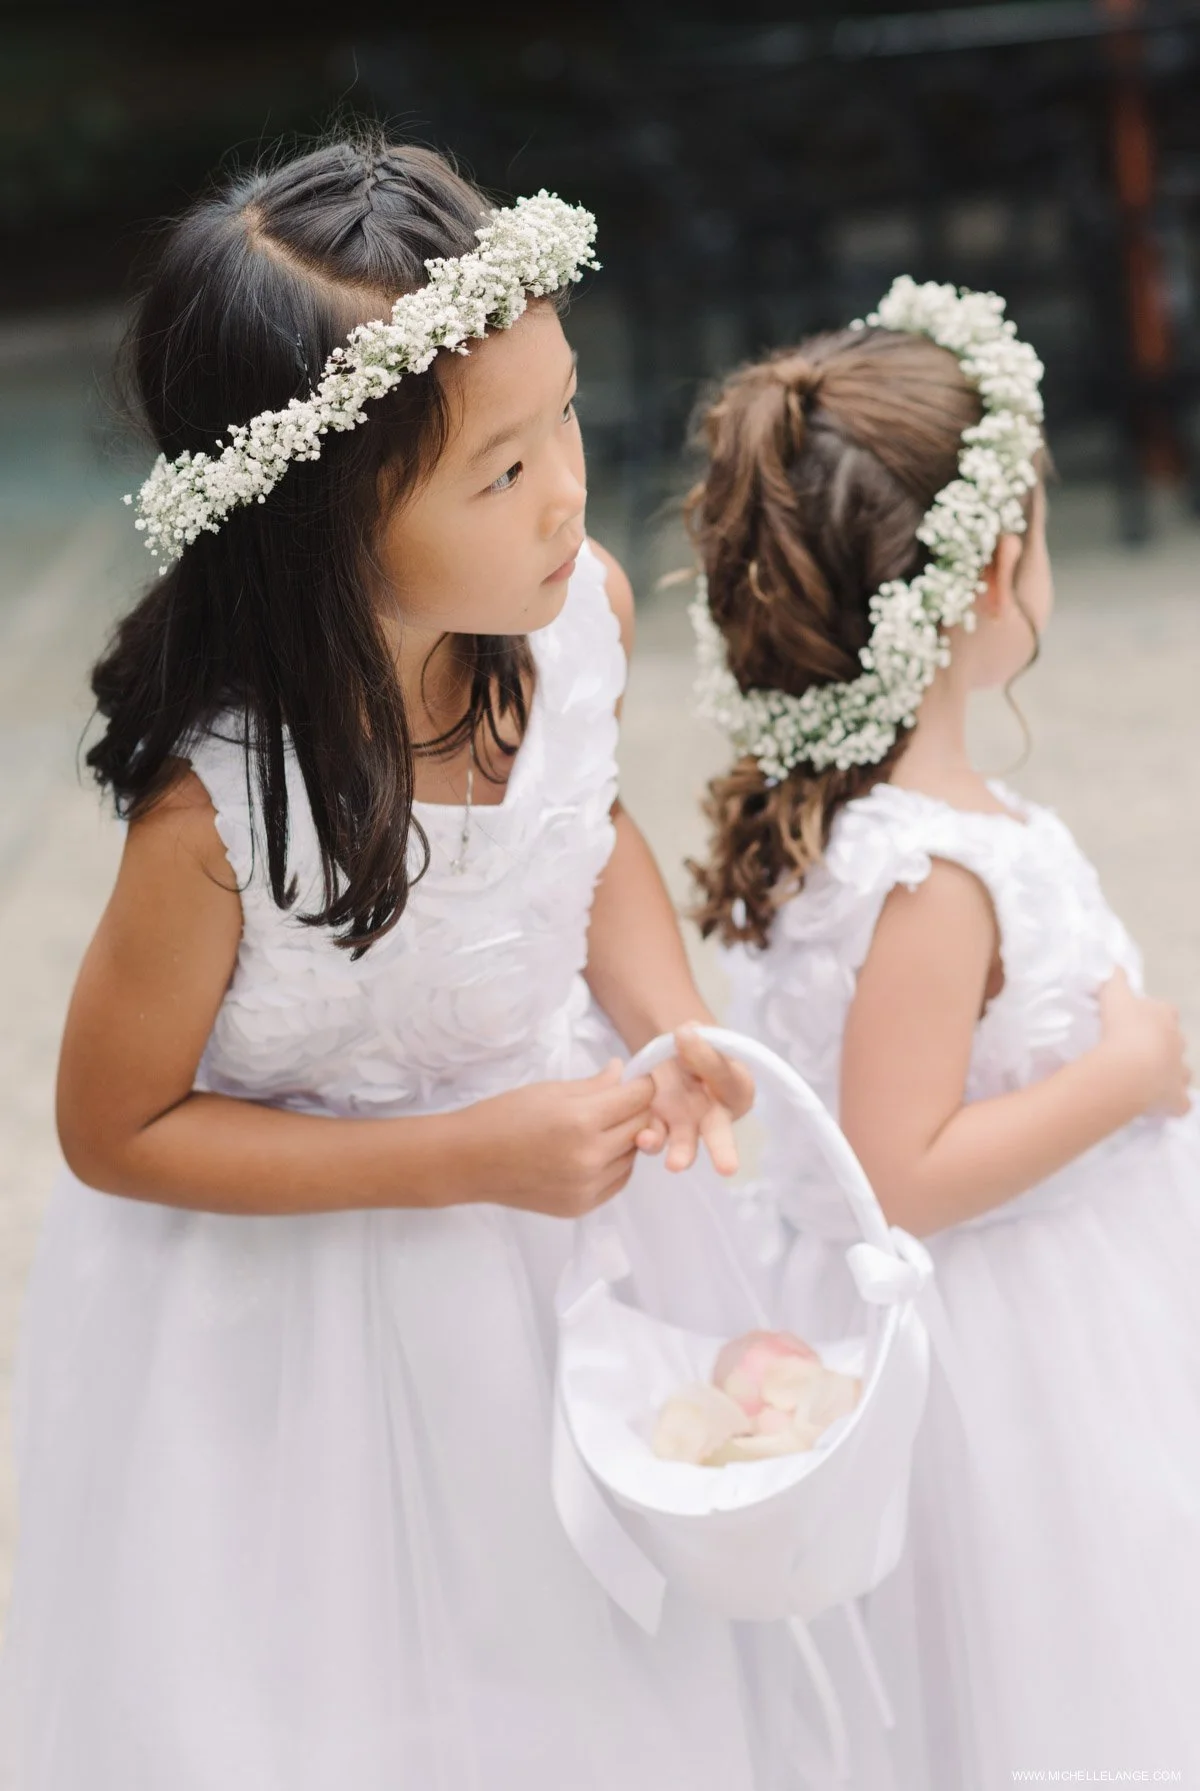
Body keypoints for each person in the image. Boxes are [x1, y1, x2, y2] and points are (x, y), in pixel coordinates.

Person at [0, 137, 772, 1791]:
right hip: (304, 1328)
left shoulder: (581, 621)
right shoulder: (218, 812)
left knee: (587, 1676)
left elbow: (590, 829)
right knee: (342, 1709)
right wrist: (464, 1158)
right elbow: (113, 1127)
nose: (568, 486)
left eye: (563, 412)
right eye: (500, 472)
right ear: (321, 522)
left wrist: (675, 1013)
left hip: (566, 1243)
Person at [686, 280, 1200, 1787]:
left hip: (1036, 1303)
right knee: (1053, 1675)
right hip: (1006, 1354)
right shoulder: (931, 873)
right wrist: (1127, 1073)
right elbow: (897, 1168)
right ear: (982, 578)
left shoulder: (871, 820)